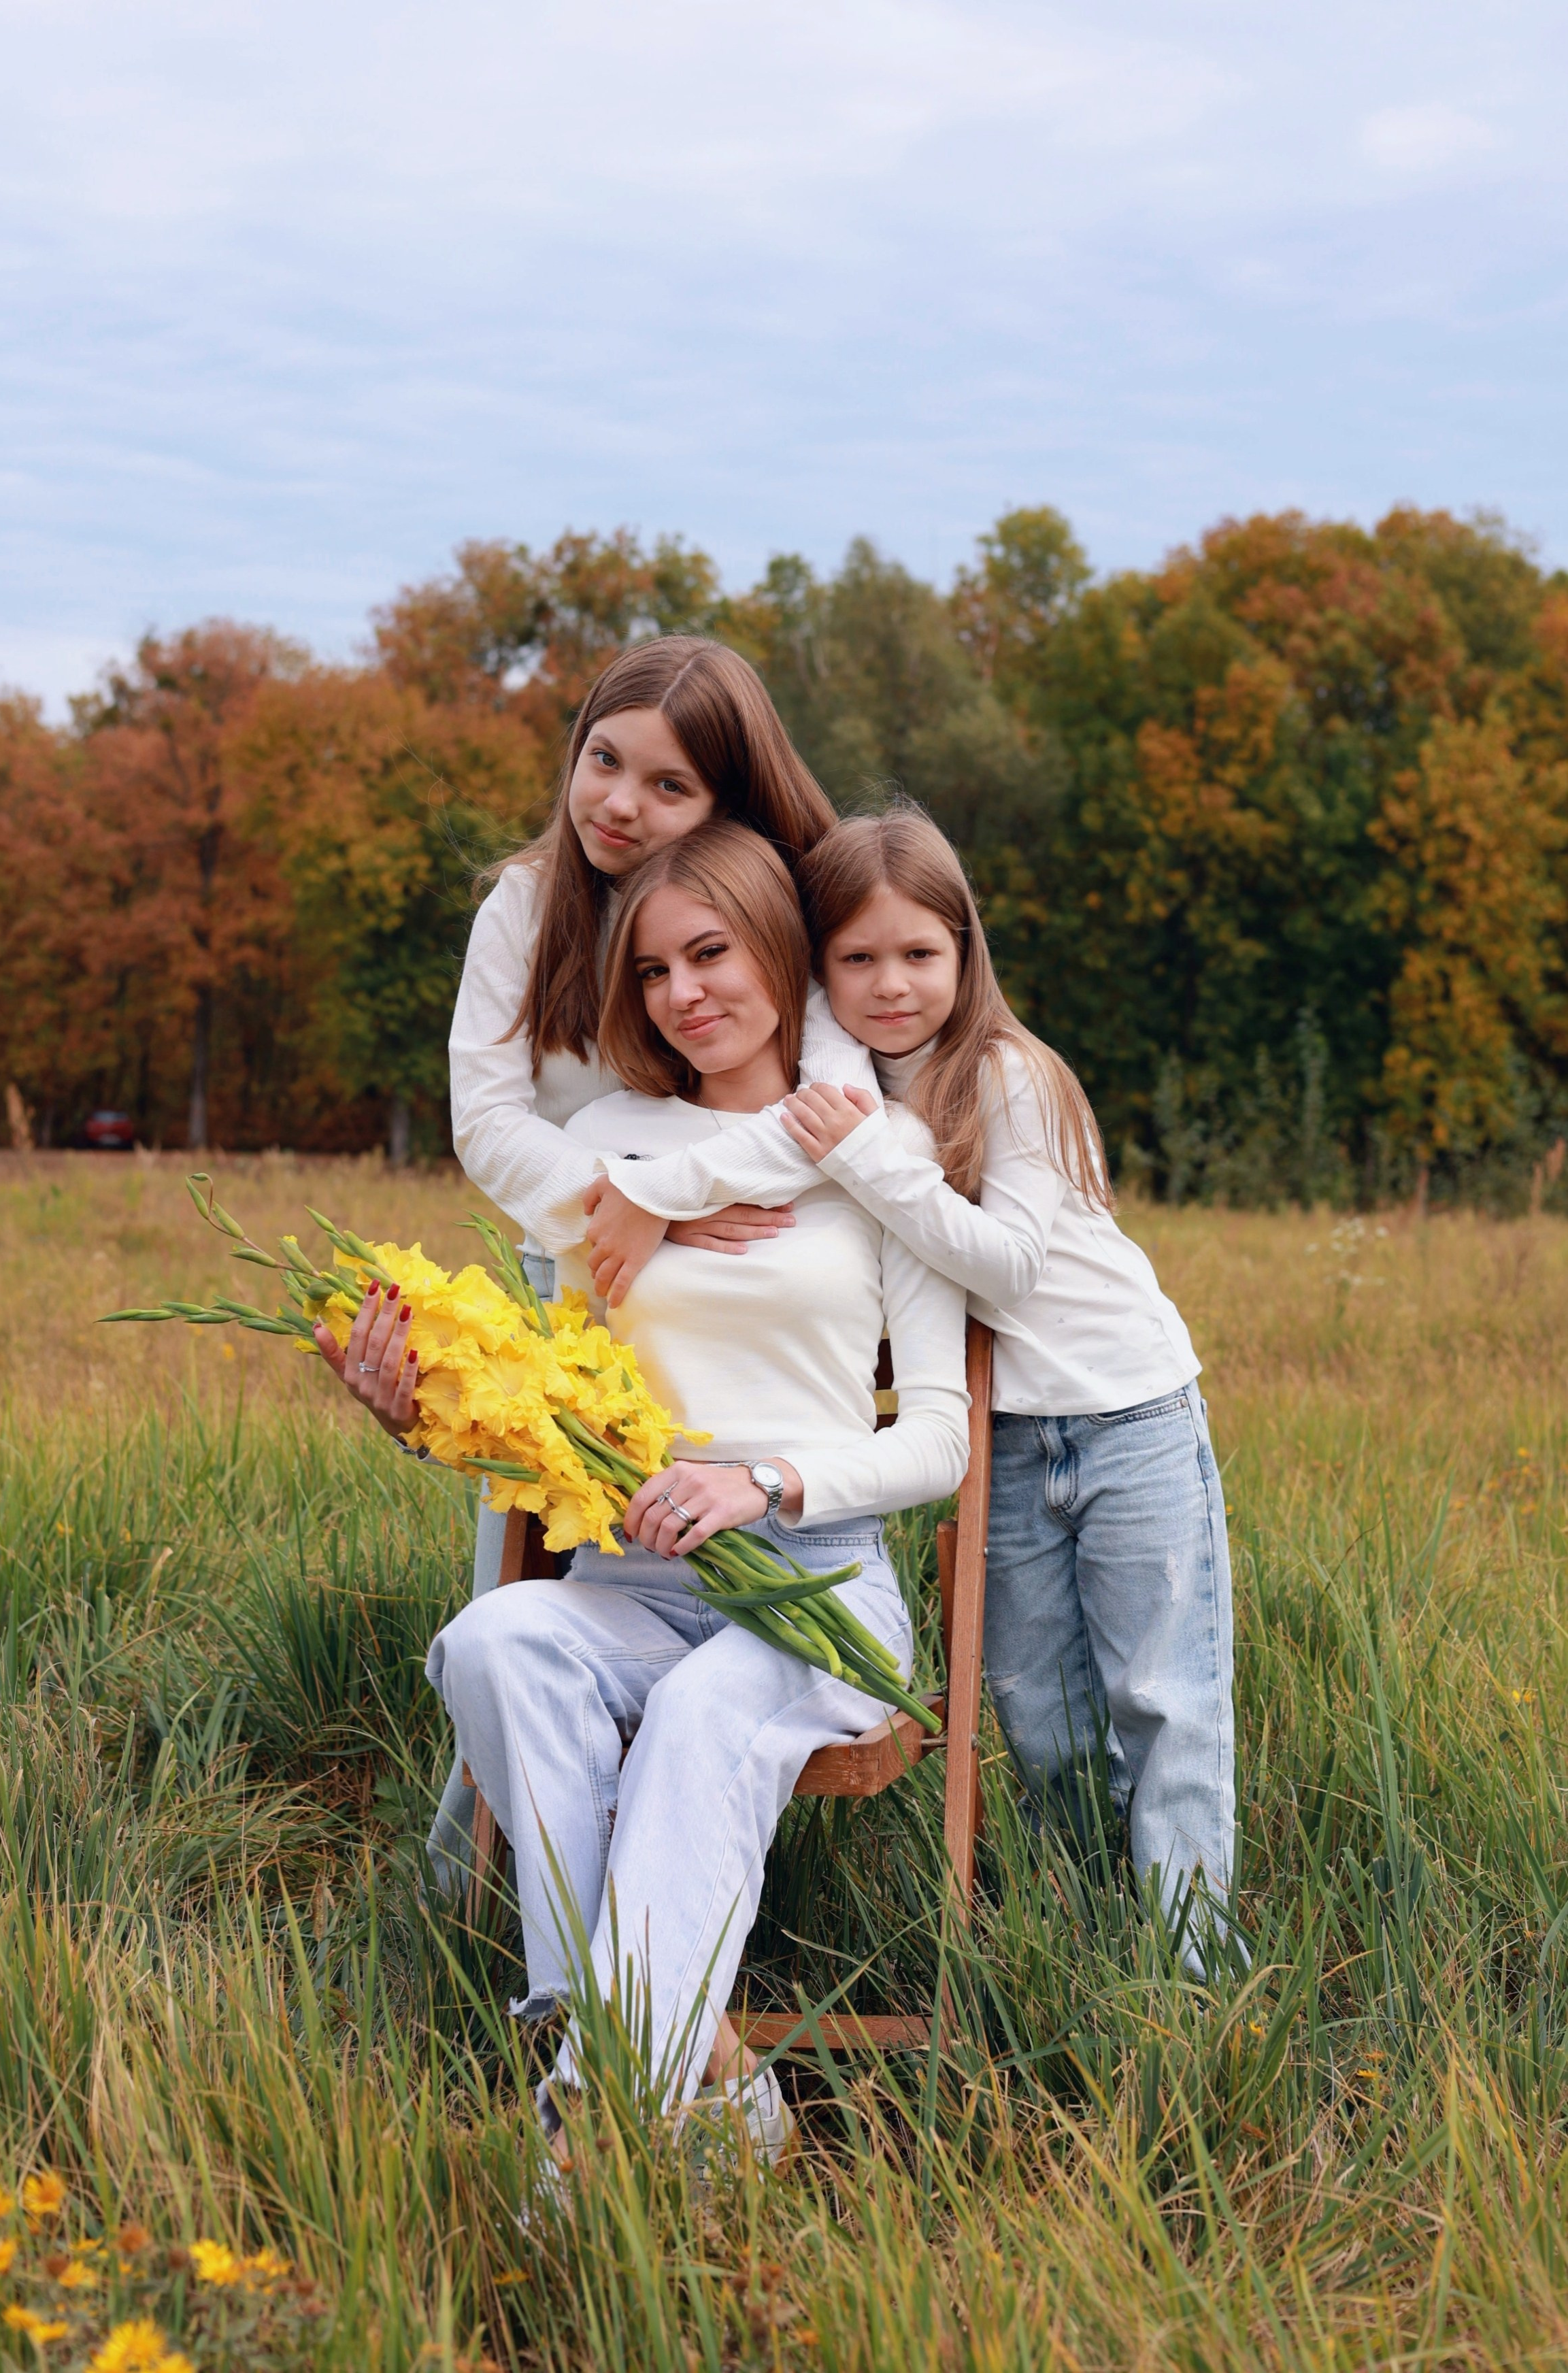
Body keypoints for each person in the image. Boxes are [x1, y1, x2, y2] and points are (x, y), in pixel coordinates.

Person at [590, 806, 1236, 1962]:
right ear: (819, 969)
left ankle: (1195, 1979)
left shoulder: (1006, 1072)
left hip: (1125, 1407)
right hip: (1010, 1435)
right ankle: (1088, 1953)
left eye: (920, 954)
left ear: (965, 952)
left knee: (1164, 1702)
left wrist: (861, 1161)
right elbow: (770, 1144)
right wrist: (663, 1199)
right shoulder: (851, 1073)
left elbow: (1008, 1264)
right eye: (859, 958)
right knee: (1042, 1716)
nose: (891, 984)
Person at [419, 824, 968, 2159]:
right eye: (655, 969)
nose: (683, 993)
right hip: (629, 1581)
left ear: (778, 950)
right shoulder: (603, 1146)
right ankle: (700, 2069)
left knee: (707, 1711)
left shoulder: (868, 1145)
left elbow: (942, 1438)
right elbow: (548, 1388)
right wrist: (421, 1392)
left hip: (813, 1589)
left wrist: (764, 1480)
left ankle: (593, 2117)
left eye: (709, 952)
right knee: (498, 1640)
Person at [394, 635, 880, 1882]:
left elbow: (832, 1094)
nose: (620, 803)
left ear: (727, 801)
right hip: (582, 1269)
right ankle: (472, 1884)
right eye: (604, 761)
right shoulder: (528, 900)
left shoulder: (777, 905)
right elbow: (487, 1121)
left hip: (751, 1260)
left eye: (670, 787)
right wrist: (617, 1204)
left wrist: (676, 1191)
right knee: (528, 1579)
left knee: (656, 1588)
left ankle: (650, 1891)